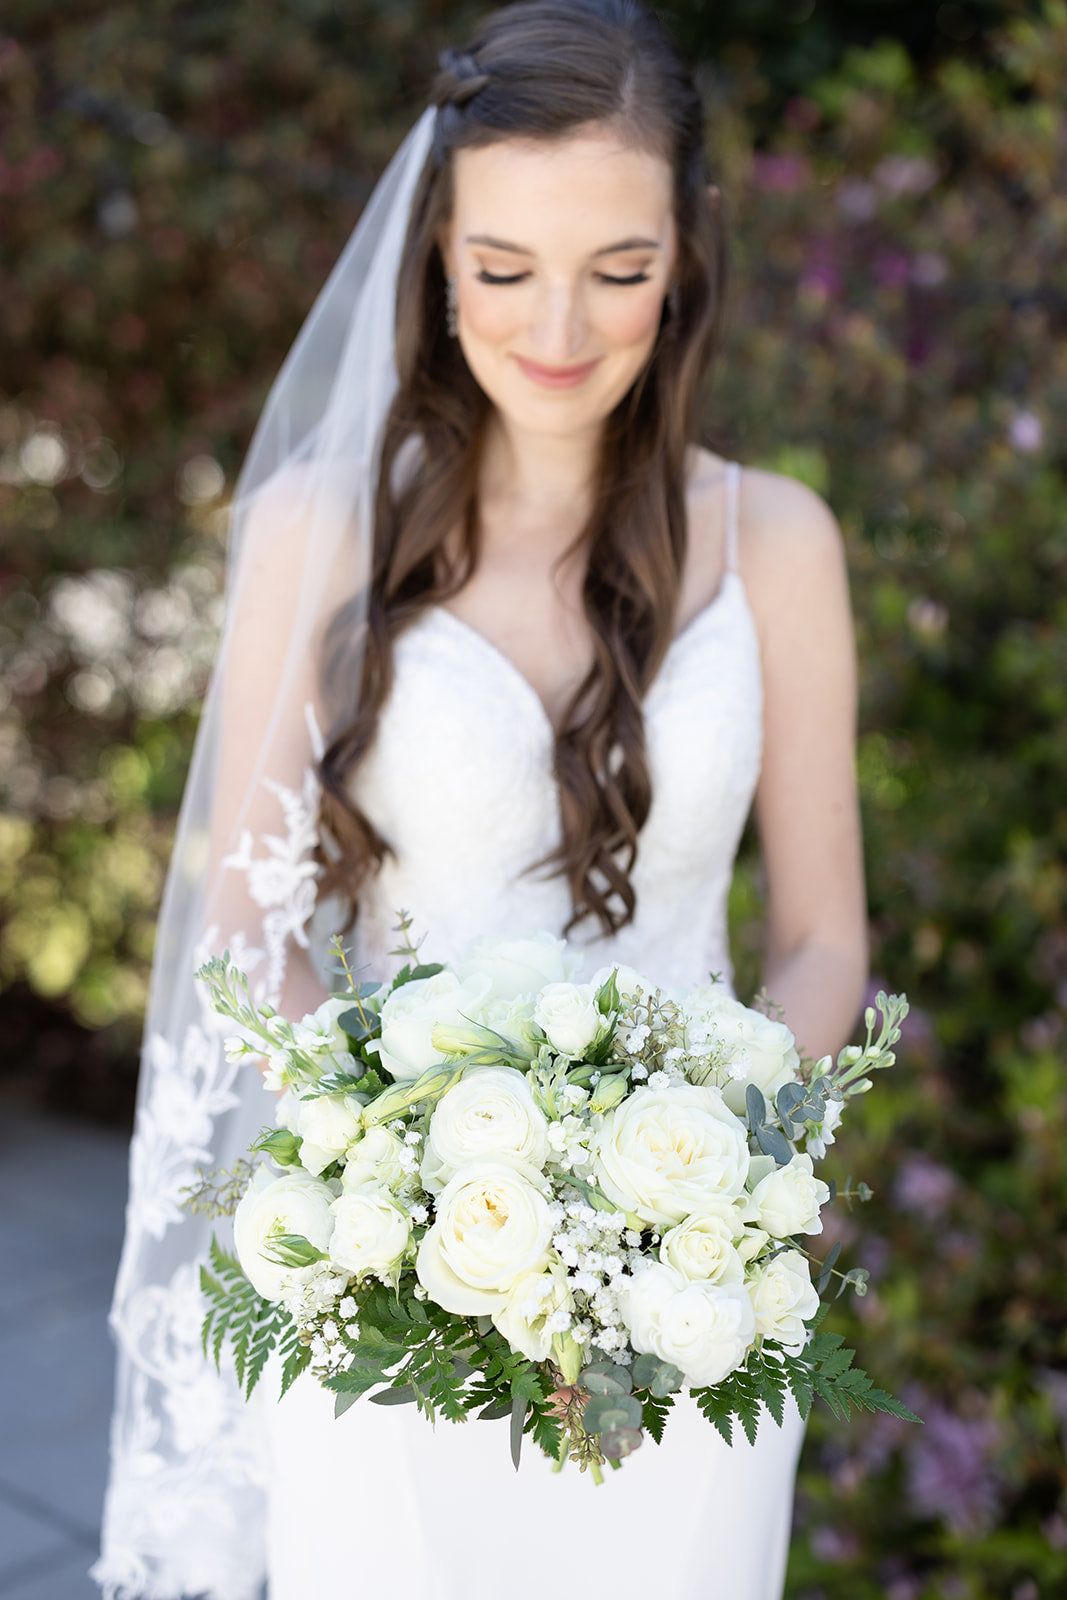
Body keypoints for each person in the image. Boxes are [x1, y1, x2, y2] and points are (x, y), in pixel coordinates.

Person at [93, 2, 867, 1597]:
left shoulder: (780, 545)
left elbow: (821, 941)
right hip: (393, 1297)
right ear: (439, 256)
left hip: (688, 1311)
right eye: (505, 268)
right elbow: (247, 931)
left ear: (687, 252)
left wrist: (703, 1187)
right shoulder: (317, 533)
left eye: (618, 269)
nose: (558, 329)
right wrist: (399, 1177)